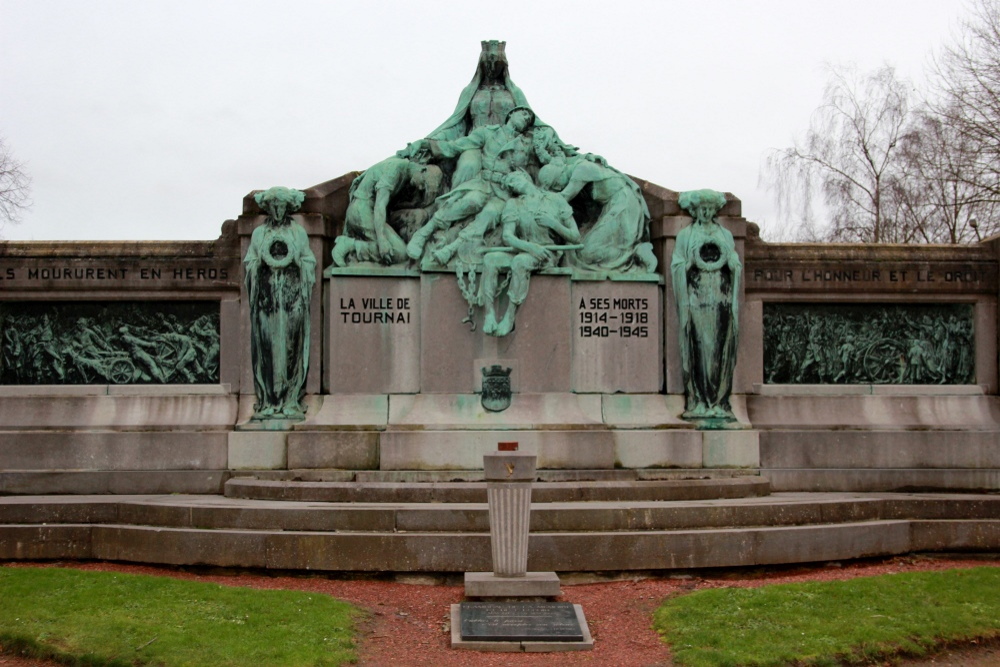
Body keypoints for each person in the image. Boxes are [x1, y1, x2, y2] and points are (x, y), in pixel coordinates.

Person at [403, 106, 539, 263]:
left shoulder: (525, 145)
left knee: (489, 215)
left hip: (504, 193)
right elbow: (458, 145)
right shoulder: (488, 132)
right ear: (511, 114)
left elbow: (530, 170)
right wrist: (427, 145)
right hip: (484, 183)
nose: (526, 119)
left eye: (528, 119)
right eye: (523, 114)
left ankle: (452, 248)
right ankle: (424, 233)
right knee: (471, 201)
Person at [479, 170, 580, 336]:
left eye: (514, 179)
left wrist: (554, 224)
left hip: (547, 253)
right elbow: (507, 236)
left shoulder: (555, 200)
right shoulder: (513, 204)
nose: (511, 184)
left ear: (526, 177)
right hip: (524, 248)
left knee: (520, 262)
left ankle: (509, 317)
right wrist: (530, 247)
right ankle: (489, 314)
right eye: (508, 184)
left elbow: (576, 237)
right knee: (490, 259)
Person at [244, 186, 315, 419]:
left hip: (293, 300)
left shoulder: (298, 232)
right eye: (273, 205)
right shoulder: (258, 234)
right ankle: (269, 401)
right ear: (268, 207)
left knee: (290, 347)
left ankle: (289, 399)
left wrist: (294, 260)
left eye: (281, 205)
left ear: (287, 207)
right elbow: (250, 263)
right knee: (267, 348)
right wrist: (260, 265)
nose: (277, 210)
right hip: (267, 302)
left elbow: (309, 263)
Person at [671, 189, 741, 422]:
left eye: (710, 209)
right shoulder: (685, 235)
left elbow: (734, 264)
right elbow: (677, 266)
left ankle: (719, 400)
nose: (706, 213)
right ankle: (700, 400)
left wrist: (732, 264)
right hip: (696, 300)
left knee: (720, 348)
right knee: (701, 347)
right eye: (702, 209)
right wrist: (690, 262)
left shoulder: (725, 234)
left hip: (721, 298)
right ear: (695, 210)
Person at [331, 158, 443, 266]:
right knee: (399, 253)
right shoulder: (394, 170)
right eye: (423, 183)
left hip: (372, 212)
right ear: (423, 170)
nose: (420, 187)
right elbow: (380, 205)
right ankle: (349, 245)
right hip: (361, 211)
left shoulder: (404, 170)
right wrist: (382, 240)